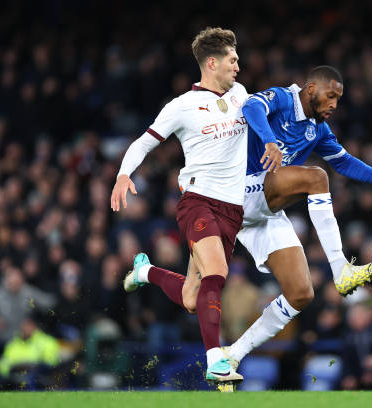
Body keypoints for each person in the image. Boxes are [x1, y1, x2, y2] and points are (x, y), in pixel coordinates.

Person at [131, 66, 372, 373]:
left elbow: (345, 162)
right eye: (330, 95)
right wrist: (268, 140)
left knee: (297, 293)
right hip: (233, 192)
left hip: (262, 210)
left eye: (339, 98)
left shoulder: (318, 129)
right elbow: (252, 106)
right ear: (311, 89)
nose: (334, 104)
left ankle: (229, 348)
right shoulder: (283, 98)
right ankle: (341, 269)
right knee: (317, 177)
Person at [110, 27, 282, 387]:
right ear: (212, 63)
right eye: (233, 60)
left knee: (193, 297)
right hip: (197, 202)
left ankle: (146, 273)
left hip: (232, 211)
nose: (239, 66)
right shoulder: (181, 107)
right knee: (217, 273)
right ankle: (215, 359)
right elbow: (143, 143)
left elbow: (258, 115)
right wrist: (124, 175)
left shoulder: (240, 94)